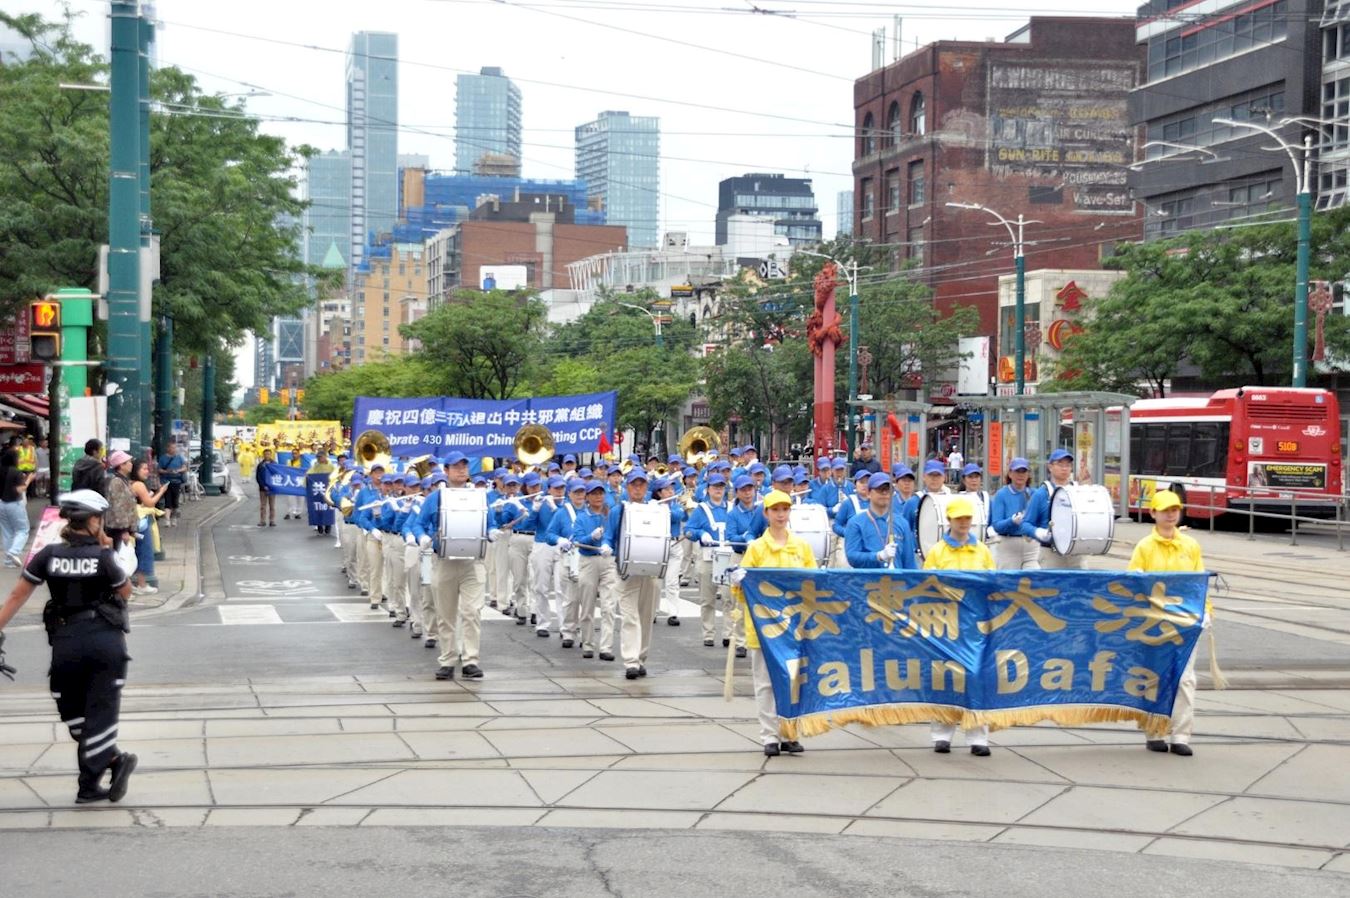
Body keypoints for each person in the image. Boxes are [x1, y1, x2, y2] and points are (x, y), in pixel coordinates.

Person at [0, 490, 137, 803]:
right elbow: (126, 592)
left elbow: (16, 597)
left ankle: (90, 784)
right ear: (93, 521)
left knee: (74, 712)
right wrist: (109, 552)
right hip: (105, 641)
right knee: (99, 713)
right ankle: (114, 761)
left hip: (66, 641)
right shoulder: (104, 557)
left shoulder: (48, 555)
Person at [728, 488, 812, 757]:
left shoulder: (801, 547)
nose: (780, 514)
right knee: (765, 684)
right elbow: (740, 592)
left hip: (793, 628)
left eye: (785, 509)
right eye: (775, 510)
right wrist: (738, 580)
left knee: (793, 683)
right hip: (763, 630)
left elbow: (814, 585)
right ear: (766, 513)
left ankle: (790, 734)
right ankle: (769, 736)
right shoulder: (755, 549)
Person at [1128, 490, 1205, 757]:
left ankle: (1181, 735)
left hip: (1185, 622)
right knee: (1154, 678)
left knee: (1184, 679)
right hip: (1154, 624)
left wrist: (1205, 613)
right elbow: (1133, 585)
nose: (1171, 514)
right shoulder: (1144, 547)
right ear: (1153, 514)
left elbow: (1199, 583)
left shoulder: (1191, 546)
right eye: (1165, 510)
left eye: (1175, 509)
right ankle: (1155, 732)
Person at [922, 495, 996, 756]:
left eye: (968, 519)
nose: (964, 523)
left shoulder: (982, 550)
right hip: (946, 624)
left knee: (977, 678)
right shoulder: (937, 552)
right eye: (959, 519)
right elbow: (927, 586)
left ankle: (978, 737)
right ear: (950, 521)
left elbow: (992, 585)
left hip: (975, 626)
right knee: (946, 678)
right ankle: (942, 734)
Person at [411, 451, 486, 680]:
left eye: (464, 466)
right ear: (446, 471)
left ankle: (470, 660)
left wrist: (491, 530)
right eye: (456, 467)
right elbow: (418, 524)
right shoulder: (436, 498)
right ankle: (448, 659)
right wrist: (422, 537)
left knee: (472, 612)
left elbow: (489, 520)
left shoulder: (479, 496)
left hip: (472, 562)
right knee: (445, 614)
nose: (461, 470)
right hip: (443, 561)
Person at [603, 470, 665, 680]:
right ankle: (630, 661)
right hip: (626, 570)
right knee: (630, 616)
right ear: (627, 487)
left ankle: (641, 658)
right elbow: (609, 537)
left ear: (646, 487)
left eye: (641, 484)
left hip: (650, 571)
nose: (638, 488)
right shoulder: (618, 510)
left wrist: (664, 509)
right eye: (634, 485)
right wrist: (605, 546)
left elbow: (675, 520)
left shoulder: (655, 509)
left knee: (646, 617)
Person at [571, 480, 619, 661]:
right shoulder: (582, 517)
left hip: (608, 561)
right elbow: (577, 540)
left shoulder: (610, 515)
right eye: (594, 494)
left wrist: (610, 545)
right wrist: (591, 538)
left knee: (609, 606)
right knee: (587, 605)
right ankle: (588, 643)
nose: (598, 497)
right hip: (588, 560)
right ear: (588, 497)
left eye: (601, 493)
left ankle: (606, 647)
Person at [684, 473, 734, 649]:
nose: (718, 490)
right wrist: (700, 534)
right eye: (715, 487)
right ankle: (708, 633)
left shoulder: (731, 509)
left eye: (721, 487)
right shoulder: (701, 509)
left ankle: (728, 633)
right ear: (708, 490)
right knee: (707, 598)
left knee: (729, 598)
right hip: (708, 556)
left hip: (727, 556)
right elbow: (689, 530)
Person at [1021, 449, 1081, 570]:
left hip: (1076, 553)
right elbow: (1025, 524)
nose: (1065, 468)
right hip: (1050, 553)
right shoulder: (1041, 494)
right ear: (1050, 467)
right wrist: (1039, 533)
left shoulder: (1078, 491)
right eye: (1060, 464)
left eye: (1068, 465)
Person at [844, 473, 918, 570]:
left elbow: (909, 562)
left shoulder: (902, 523)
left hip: (897, 582)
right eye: (879, 489)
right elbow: (852, 557)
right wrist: (878, 556)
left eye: (888, 490)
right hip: (867, 583)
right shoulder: (856, 523)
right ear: (869, 493)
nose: (884, 493)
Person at [989, 457, 1039, 570]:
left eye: (1024, 472)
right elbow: (997, 525)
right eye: (1017, 471)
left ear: (1028, 474)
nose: (1020, 475)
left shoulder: (1035, 494)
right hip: (1008, 545)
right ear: (1010, 474)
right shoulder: (1001, 494)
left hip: (1031, 545)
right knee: (1009, 583)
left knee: (1034, 580)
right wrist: (1011, 521)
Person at [128, 459, 168, 596]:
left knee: (134, 551)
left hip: (134, 522)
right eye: (143, 469)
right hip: (141, 523)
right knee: (144, 550)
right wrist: (161, 491)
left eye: (147, 468)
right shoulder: (138, 484)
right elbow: (150, 503)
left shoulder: (129, 483)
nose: (147, 471)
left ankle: (134, 583)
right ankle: (142, 584)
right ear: (136, 470)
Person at [0, 448, 35, 567]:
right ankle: (13, 552)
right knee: (22, 530)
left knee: (7, 531)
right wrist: (29, 479)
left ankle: (9, 562)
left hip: (1, 504)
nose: (20, 460)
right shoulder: (16, 472)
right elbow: (20, 489)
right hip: (14, 503)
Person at [101, 451, 139, 554]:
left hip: (123, 527)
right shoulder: (116, 482)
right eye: (128, 462)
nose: (131, 464)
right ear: (121, 465)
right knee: (119, 555)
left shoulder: (124, 480)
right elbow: (119, 507)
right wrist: (124, 530)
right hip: (117, 528)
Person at [156, 442, 186, 528]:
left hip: (176, 481)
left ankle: (174, 519)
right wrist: (167, 471)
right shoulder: (163, 458)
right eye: (172, 448)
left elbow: (184, 467)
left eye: (175, 448)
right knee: (167, 501)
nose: (174, 449)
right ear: (168, 448)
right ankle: (167, 520)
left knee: (175, 501)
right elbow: (159, 470)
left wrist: (179, 470)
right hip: (166, 482)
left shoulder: (179, 457)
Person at [255, 448, 277, 528]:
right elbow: (258, 477)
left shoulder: (274, 464)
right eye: (265, 454)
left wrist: (271, 486)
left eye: (268, 454)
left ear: (271, 455)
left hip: (272, 489)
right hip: (262, 489)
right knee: (263, 505)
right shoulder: (260, 465)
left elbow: (277, 475)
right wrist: (263, 485)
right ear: (263, 455)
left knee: (272, 505)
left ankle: (272, 520)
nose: (267, 455)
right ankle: (262, 521)